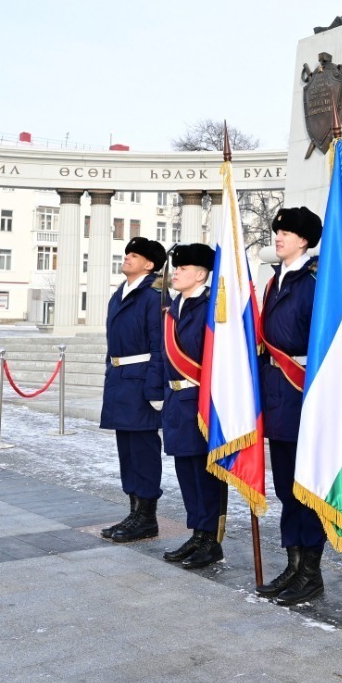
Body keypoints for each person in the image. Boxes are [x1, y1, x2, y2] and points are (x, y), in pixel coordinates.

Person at [255, 206, 328, 605]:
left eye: (286, 232)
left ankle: (311, 573)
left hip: (303, 396)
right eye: (277, 230)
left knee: (306, 489)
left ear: (304, 240)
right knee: (286, 488)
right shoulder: (274, 282)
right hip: (278, 397)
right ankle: (293, 563)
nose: (278, 236)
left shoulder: (316, 281)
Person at [159, 243, 228, 570]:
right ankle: (197, 532)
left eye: (183, 268)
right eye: (176, 268)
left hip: (202, 402)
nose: (176, 272)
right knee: (186, 472)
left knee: (205, 475)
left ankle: (211, 540)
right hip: (176, 400)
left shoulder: (212, 307)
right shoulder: (175, 308)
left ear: (200, 274)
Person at [101, 237, 168, 544]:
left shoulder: (153, 296)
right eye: (127, 252)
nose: (127, 257)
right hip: (120, 379)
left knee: (143, 450)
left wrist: (154, 388)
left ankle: (147, 516)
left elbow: (159, 346)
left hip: (141, 381)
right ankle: (134, 511)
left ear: (150, 264)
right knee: (127, 450)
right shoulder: (122, 292)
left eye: (135, 255)